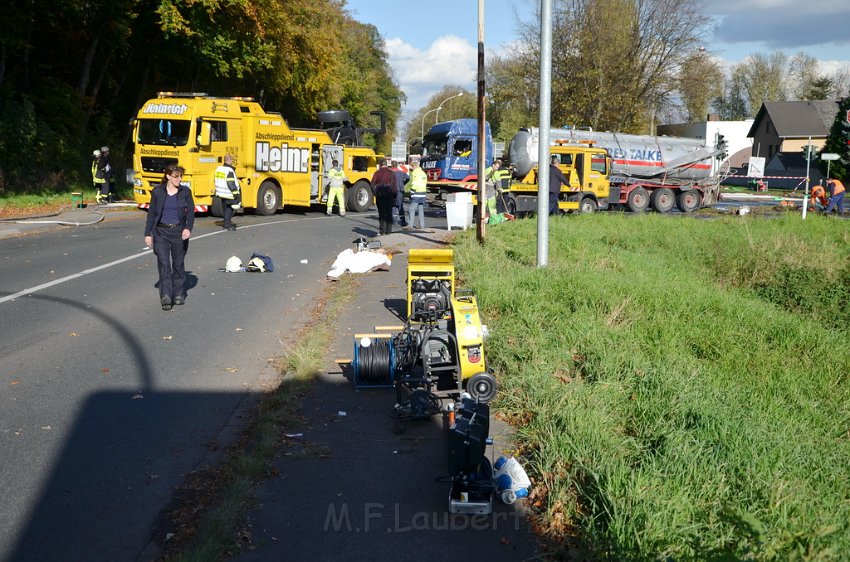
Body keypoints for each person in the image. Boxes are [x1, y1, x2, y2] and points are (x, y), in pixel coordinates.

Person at [144, 164, 195, 311]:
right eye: (176, 176)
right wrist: (148, 233)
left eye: (181, 176)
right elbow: (152, 213)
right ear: (168, 177)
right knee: (164, 263)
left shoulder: (185, 192)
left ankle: (178, 293)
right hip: (161, 232)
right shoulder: (158, 192)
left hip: (179, 232)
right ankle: (166, 294)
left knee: (178, 264)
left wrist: (187, 228)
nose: (180, 179)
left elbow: (191, 213)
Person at [214, 154, 241, 230]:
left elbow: (215, 179)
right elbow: (231, 183)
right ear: (229, 161)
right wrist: (236, 194)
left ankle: (226, 223)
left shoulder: (219, 168)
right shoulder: (229, 170)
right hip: (228, 193)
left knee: (226, 208)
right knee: (230, 209)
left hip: (221, 192)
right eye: (232, 160)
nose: (232, 161)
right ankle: (227, 225)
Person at [371, 162, 397, 236]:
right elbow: (394, 186)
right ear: (387, 165)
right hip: (389, 195)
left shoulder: (377, 173)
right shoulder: (391, 173)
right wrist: (394, 195)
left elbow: (372, 184)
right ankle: (389, 230)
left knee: (382, 213)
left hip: (380, 195)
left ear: (380, 165)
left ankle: (382, 230)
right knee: (389, 212)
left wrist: (375, 193)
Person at [406, 160, 428, 230]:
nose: (411, 169)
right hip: (423, 193)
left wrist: (412, 192)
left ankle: (410, 225)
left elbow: (414, 184)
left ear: (414, 166)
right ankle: (422, 225)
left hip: (417, 193)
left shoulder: (415, 173)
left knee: (411, 209)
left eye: (411, 167)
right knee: (420, 210)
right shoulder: (423, 173)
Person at [391, 160, 409, 227]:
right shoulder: (401, 172)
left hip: (392, 191)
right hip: (400, 190)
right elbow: (408, 178)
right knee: (400, 206)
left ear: (392, 165)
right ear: (397, 165)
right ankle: (403, 221)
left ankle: (394, 221)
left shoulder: (390, 173)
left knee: (393, 206)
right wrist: (403, 183)